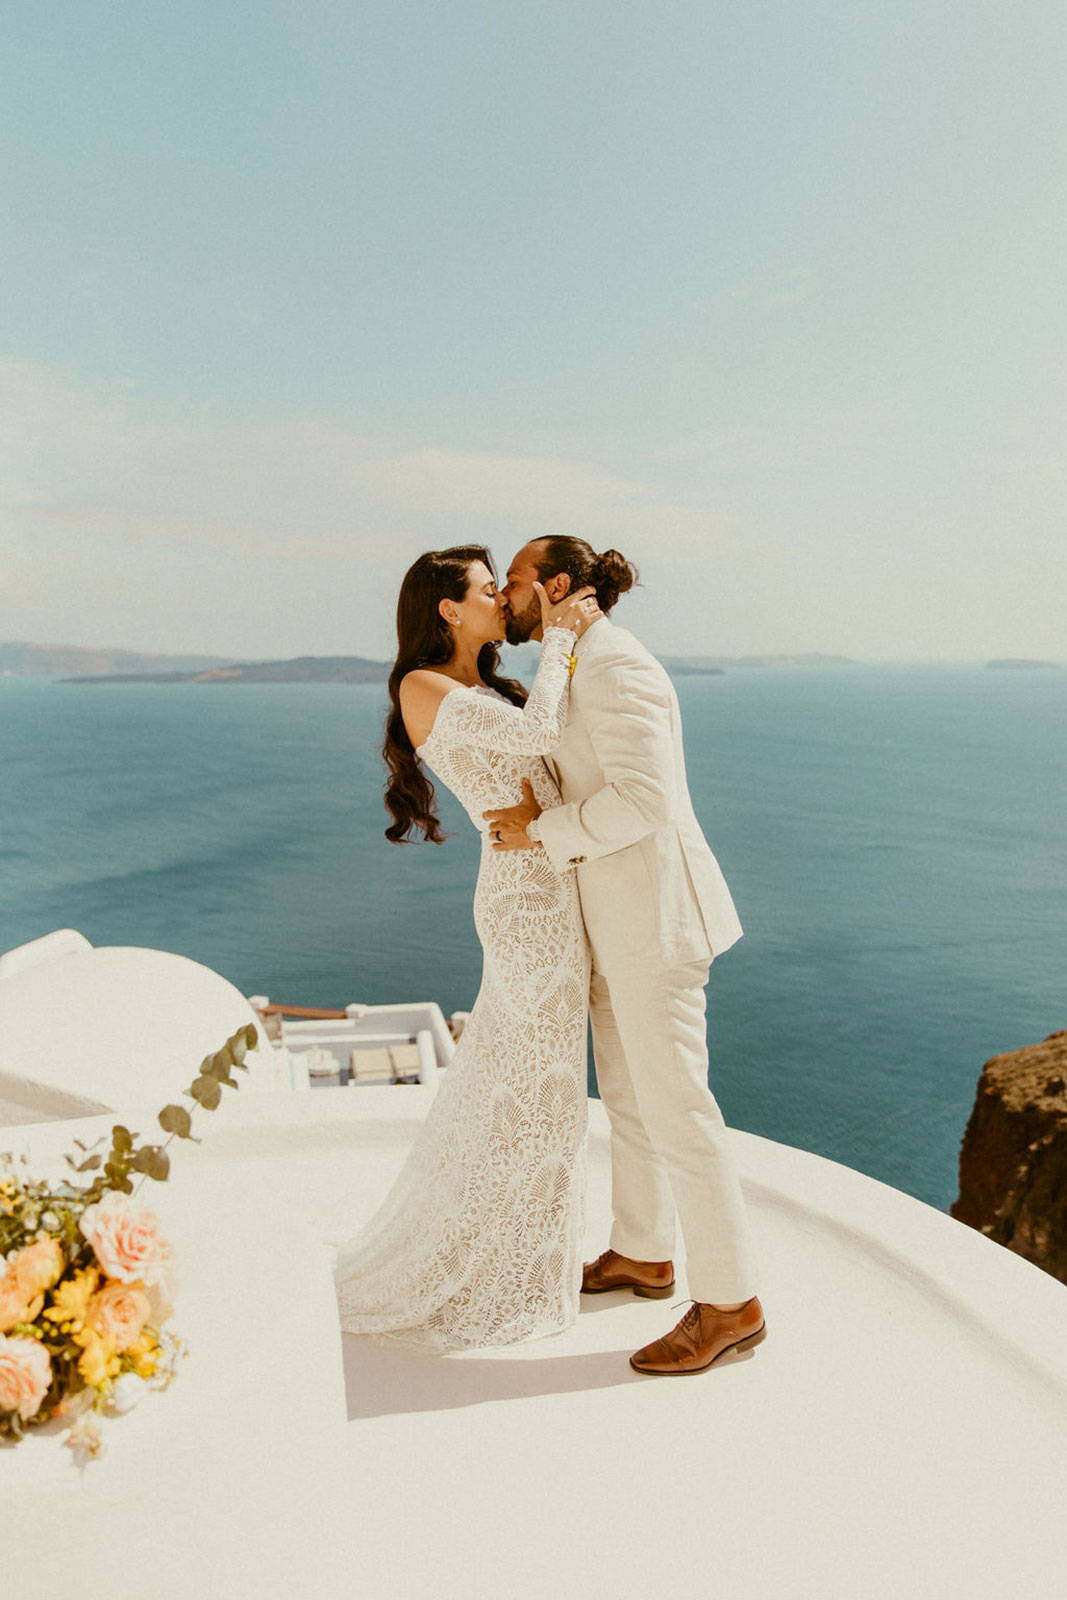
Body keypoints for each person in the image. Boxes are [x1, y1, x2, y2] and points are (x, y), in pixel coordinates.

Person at [485, 538, 766, 1375]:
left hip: (654, 925)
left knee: (680, 1112)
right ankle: (642, 1252)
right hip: (613, 924)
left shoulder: (615, 667)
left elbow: (642, 799)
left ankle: (729, 1303)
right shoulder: (579, 657)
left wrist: (542, 834)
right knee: (635, 1107)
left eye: (515, 581)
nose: (503, 595)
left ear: (557, 587)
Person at [331, 545, 601, 1350]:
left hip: (549, 883)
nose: (500, 601)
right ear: (447, 608)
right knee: (533, 1085)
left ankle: (515, 1250)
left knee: (539, 1084)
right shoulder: (425, 686)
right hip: (525, 903)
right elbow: (540, 730)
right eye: (488, 590)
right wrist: (561, 634)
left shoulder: (481, 685)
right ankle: (496, 1265)